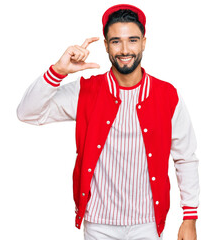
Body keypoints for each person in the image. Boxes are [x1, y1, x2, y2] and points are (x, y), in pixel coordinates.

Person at [17, 4, 200, 240]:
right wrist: (58, 70)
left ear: (144, 42)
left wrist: (190, 217)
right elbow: (27, 113)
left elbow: (185, 157)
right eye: (116, 41)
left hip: (148, 224)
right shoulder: (85, 92)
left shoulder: (167, 95)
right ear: (106, 45)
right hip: (99, 225)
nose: (125, 49)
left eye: (132, 40)